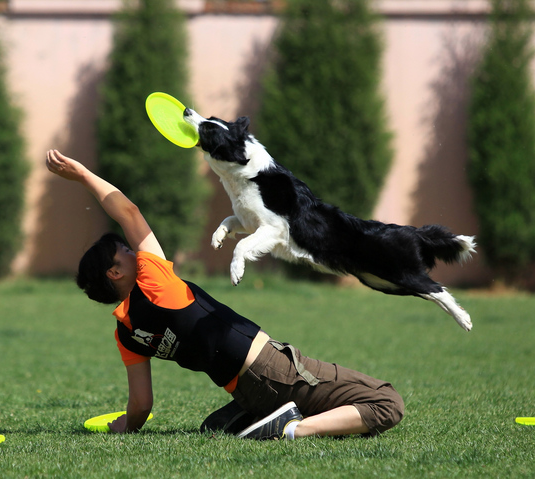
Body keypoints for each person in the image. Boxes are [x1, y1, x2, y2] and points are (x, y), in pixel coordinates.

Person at [45, 149, 404, 440]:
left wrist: (124, 425)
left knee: (333, 407)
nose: (134, 250)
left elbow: (140, 404)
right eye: (124, 250)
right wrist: (82, 176)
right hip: (271, 369)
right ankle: (292, 427)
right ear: (115, 272)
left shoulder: (127, 332)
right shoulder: (154, 282)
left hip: (245, 392)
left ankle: (254, 420)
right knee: (386, 402)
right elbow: (129, 212)